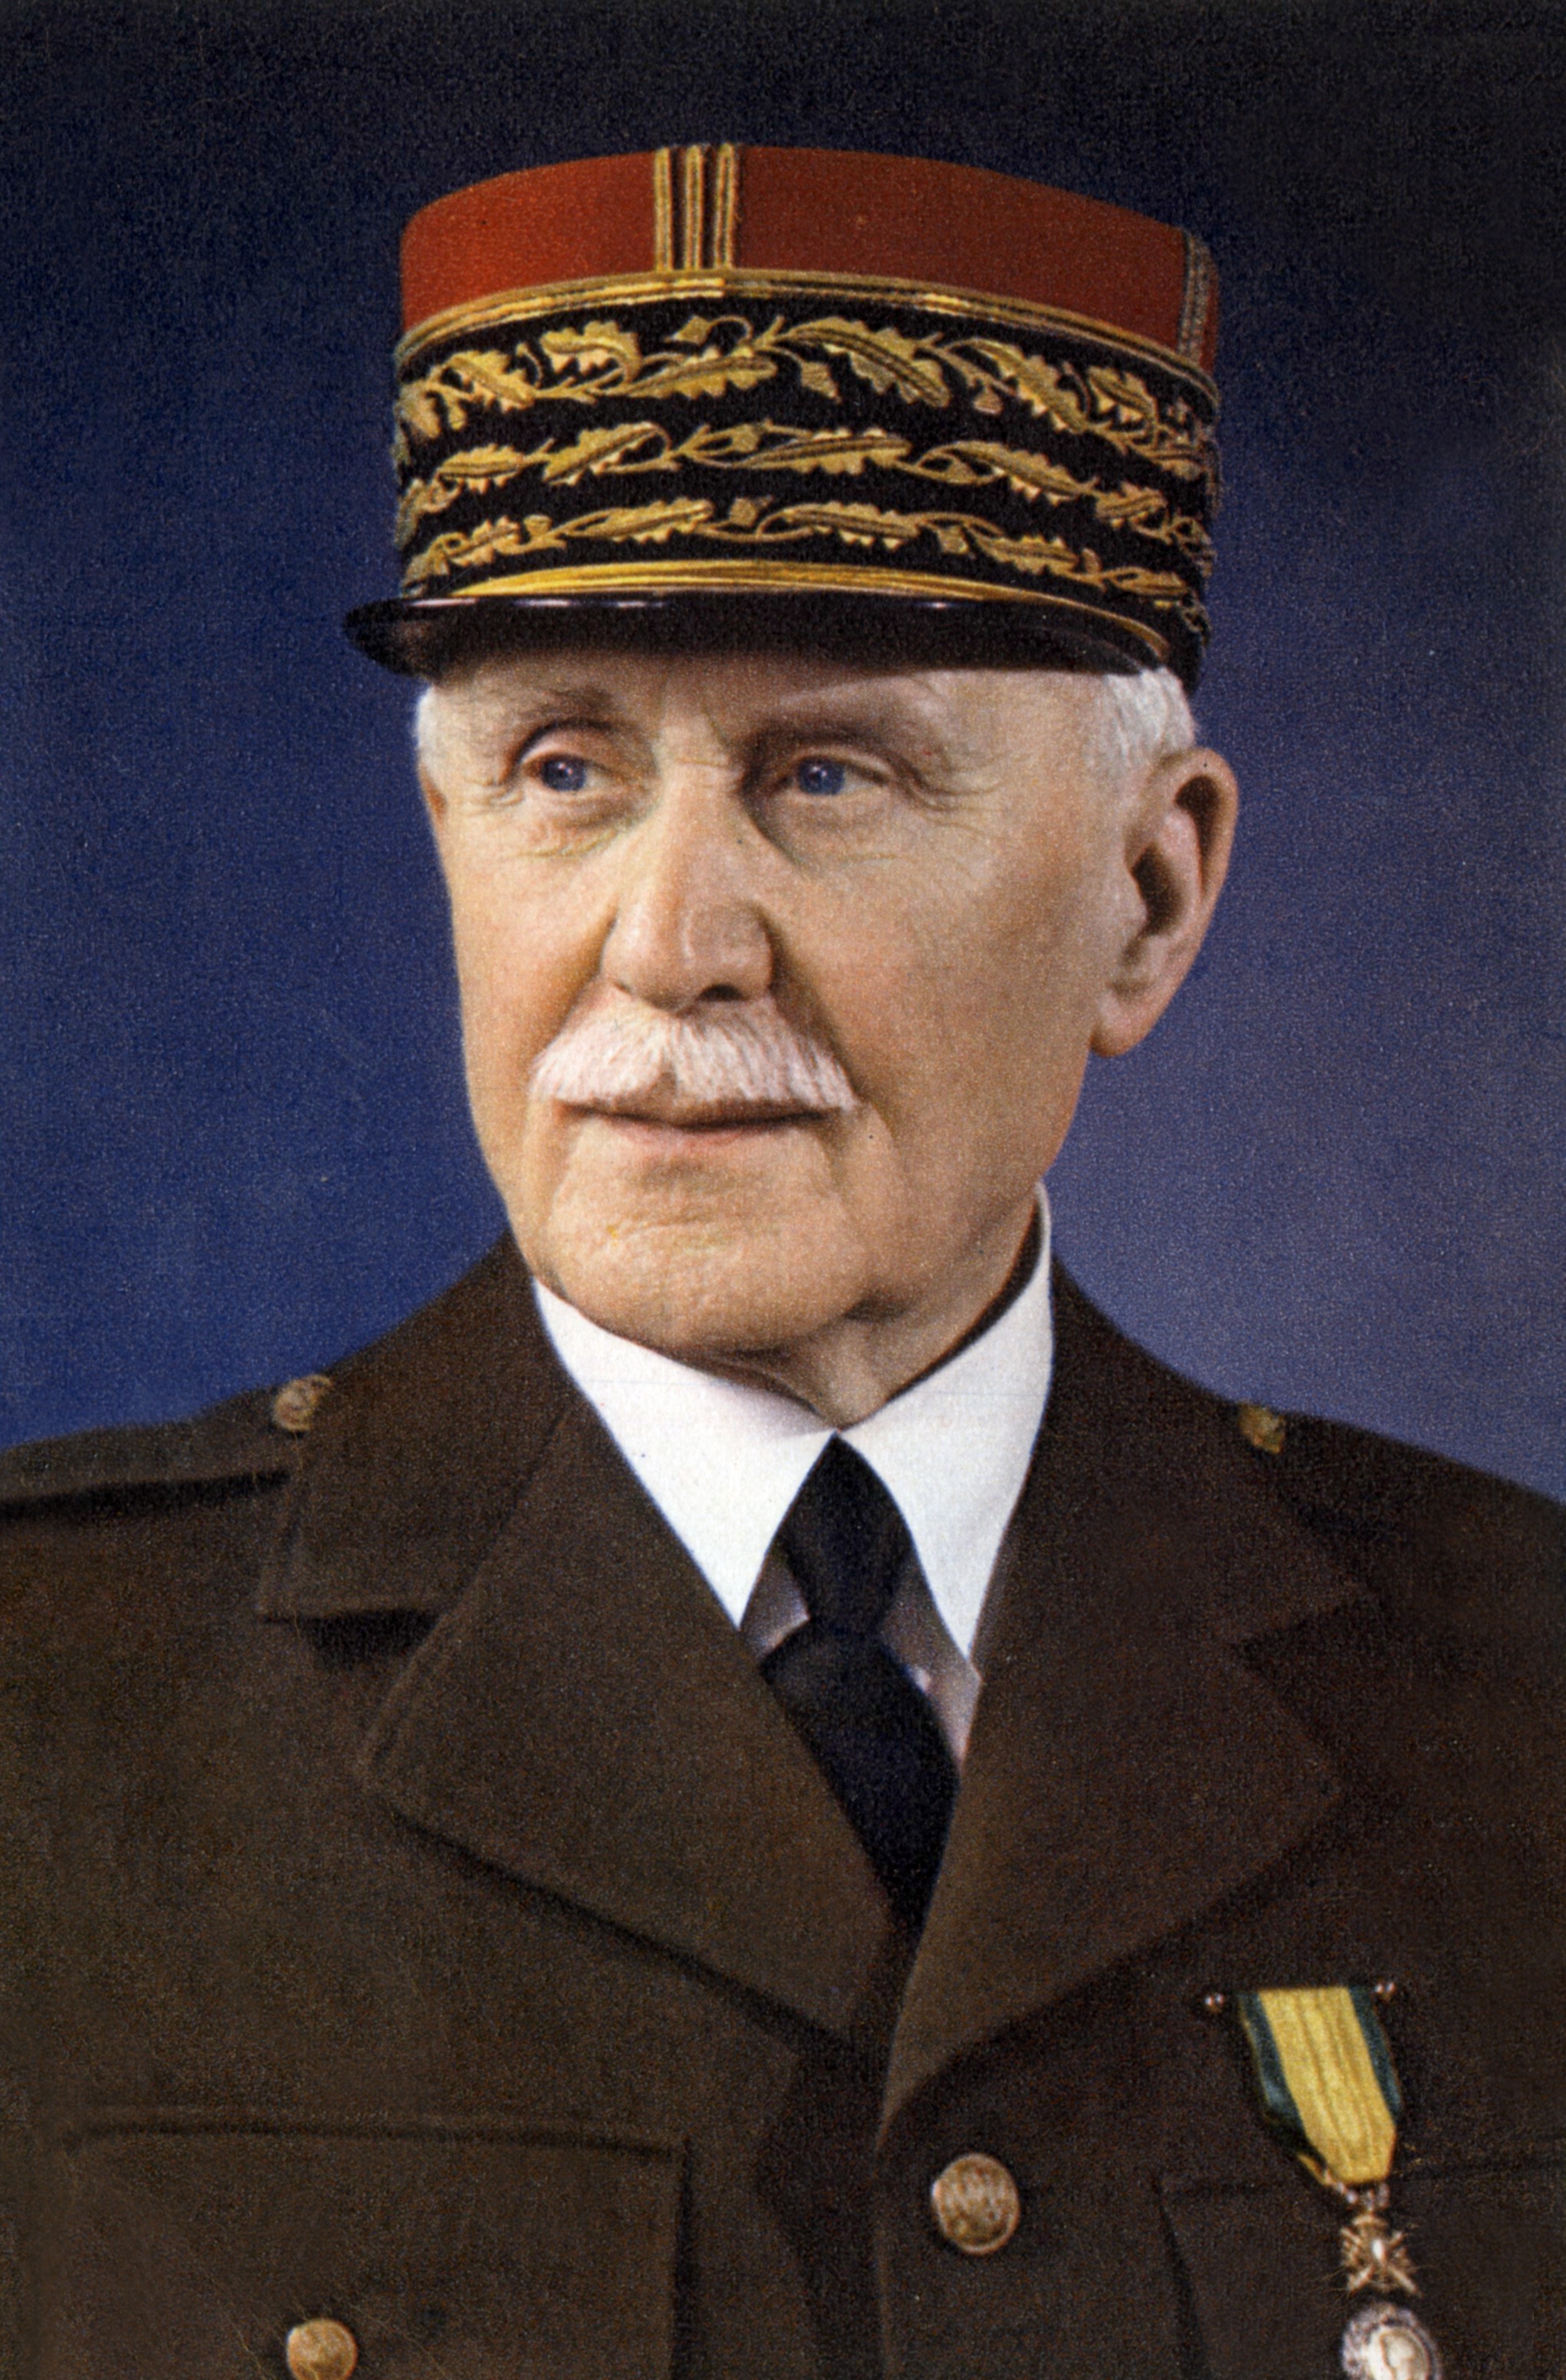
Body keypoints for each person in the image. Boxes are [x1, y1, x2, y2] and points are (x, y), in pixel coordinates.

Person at [0, 146, 1560, 2380]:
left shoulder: (1518, 1706)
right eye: (563, 767)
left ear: (1151, 895)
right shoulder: (44, 1718)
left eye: (828, 778)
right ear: (448, 832)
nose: (667, 941)